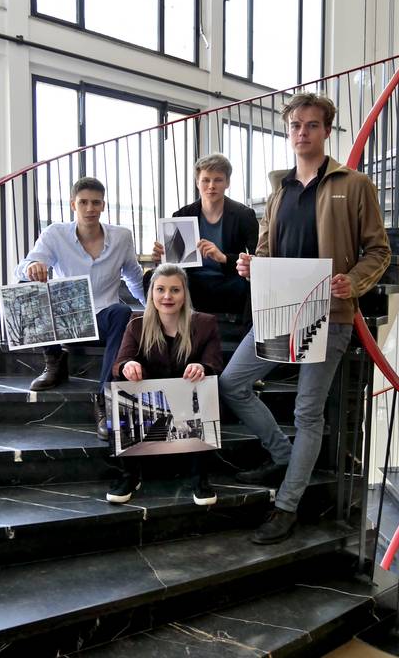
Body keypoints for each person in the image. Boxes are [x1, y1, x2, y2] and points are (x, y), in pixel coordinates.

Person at [219, 92, 391, 544]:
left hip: (329, 315)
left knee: (307, 413)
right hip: (280, 308)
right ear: (288, 130)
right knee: (232, 382)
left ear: (326, 131)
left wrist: (352, 283)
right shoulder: (280, 190)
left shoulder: (353, 184)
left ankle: (286, 505)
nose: (302, 133)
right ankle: (281, 453)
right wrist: (250, 265)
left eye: (311, 125)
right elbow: (265, 250)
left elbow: (379, 250)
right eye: (295, 125)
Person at [15, 177, 146, 441]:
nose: (90, 208)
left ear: (103, 205)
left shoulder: (121, 237)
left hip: (104, 318)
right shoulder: (55, 233)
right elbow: (24, 266)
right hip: (68, 320)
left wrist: (153, 308)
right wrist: (32, 268)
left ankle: (105, 398)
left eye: (95, 202)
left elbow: (133, 276)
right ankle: (54, 361)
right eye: (83, 202)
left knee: (122, 312)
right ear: (74, 204)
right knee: (28, 285)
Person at [106, 263, 223, 505]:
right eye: (160, 289)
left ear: (185, 294)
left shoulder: (205, 323)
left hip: (187, 403)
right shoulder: (136, 324)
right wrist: (128, 365)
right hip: (150, 404)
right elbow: (119, 362)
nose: (167, 296)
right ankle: (129, 474)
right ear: (151, 294)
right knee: (120, 381)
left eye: (175, 290)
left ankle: (199, 476)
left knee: (206, 383)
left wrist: (203, 367)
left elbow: (214, 362)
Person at [150, 153, 258, 319]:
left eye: (218, 180)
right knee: (151, 278)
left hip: (228, 280)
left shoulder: (244, 215)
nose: (211, 186)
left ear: (227, 183)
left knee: (246, 286)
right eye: (206, 180)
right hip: (191, 280)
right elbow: (175, 262)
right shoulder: (182, 214)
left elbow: (256, 258)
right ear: (197, 183)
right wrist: (162, 257)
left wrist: (223, 257)